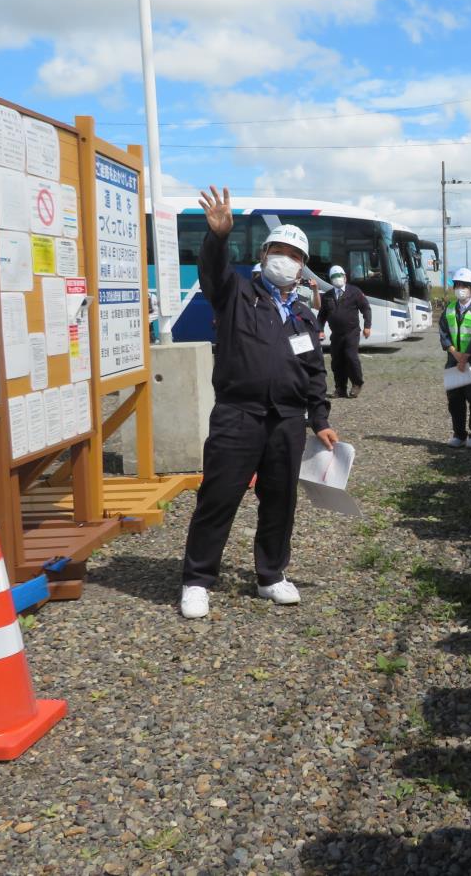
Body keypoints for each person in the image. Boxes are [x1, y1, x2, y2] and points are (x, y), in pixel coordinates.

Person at [179, 186, 339, 620]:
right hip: (238, 414)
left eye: (294, 254)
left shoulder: (305, 315)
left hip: (287, 420)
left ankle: (271, 575)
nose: (285, 259)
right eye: (278, 251)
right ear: (264, 255)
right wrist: (217, 238)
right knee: (219, 497)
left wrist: (319, 418)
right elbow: (213, 273)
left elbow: (314, 374)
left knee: (280, 500)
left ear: (303, 266)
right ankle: (197, 579)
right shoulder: (236, 295)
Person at [439, 267, 471, 449]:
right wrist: (455, 354)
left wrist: (466, 356)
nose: (460, 288)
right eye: (457, 285)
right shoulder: (450, 308)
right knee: (454, 400)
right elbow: (444, 333)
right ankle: (459, 434)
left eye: (464, 285)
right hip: (454, 360)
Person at [321, 264, 371, 399]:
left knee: (351, 356)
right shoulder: (327, 296)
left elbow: (366, 308)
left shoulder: (354, 292)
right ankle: (340, 388)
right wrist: (319, 330)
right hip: (336, 334)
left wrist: (367, 326)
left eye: (339, 276)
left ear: (345, 277)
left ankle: (357, 383)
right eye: (334, 277)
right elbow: (322, 315)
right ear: (330, 279)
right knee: (336, 361)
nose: (337, 279)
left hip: (351, 332)